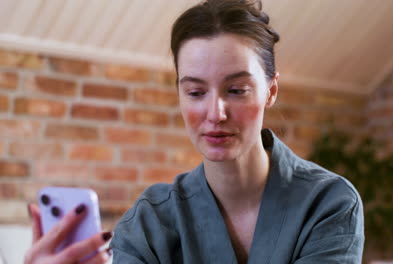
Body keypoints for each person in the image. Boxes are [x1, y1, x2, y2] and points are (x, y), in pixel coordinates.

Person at [25, 0, 364, 263]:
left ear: (271, 91)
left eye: (236, 90)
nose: (215, 114)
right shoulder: (150, 219)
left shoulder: (328, 203)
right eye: (196, 92)